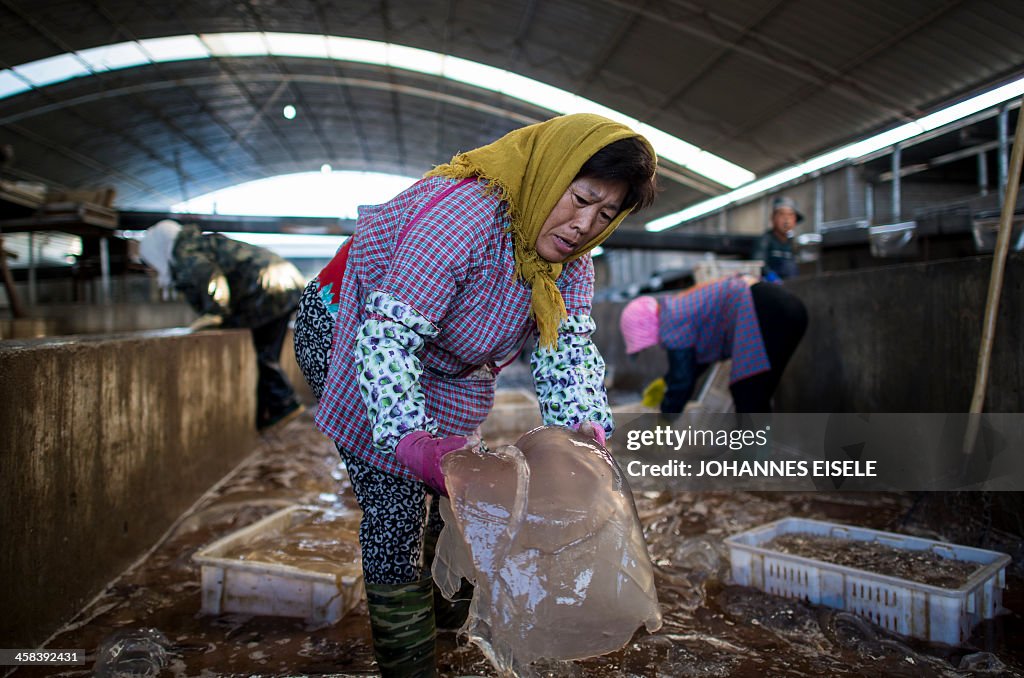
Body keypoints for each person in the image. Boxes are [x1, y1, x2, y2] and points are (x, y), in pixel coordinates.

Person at [292, 113, 657, 676]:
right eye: (580, 198)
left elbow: (567, 349)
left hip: (448, 358)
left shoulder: (571, 263)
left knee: (457, 488)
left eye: (605, 214)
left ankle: (447, 614)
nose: (585, 224)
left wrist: (582, 430)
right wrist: (410, 439)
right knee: (395, 502)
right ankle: (408, 660)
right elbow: (388, 338)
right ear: (550, 173)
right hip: (353, 320)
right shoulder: (466, 216)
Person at [138, 219, 305, 431]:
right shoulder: (195, 244)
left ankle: (284, 404)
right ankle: (271, 412)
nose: (151, 270)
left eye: (149, 263)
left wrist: (215, 312)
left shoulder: (185, 253)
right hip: (281, 283)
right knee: (265, 351)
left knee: (264, 354)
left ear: (156, 251)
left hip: (268, 289)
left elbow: (210, 278)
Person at [620, 274, 807, 413]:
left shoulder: (671, 323)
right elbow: (693, 366)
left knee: (748, 392)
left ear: (646, 326)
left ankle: (751, 462)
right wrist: (667, 382)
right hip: (787, 307)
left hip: (766, 309)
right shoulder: (677, 308)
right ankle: (754, 458)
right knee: (756, 394)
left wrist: (665, 418)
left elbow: (683, 380)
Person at [752, 196, 803, 280]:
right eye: (782, 214)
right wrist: (770, 276)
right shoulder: (765, 240)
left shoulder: (792, 244)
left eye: (790, 215)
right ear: (773, 218)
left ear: (795, 220)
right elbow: (758, 263)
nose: (786, 220)